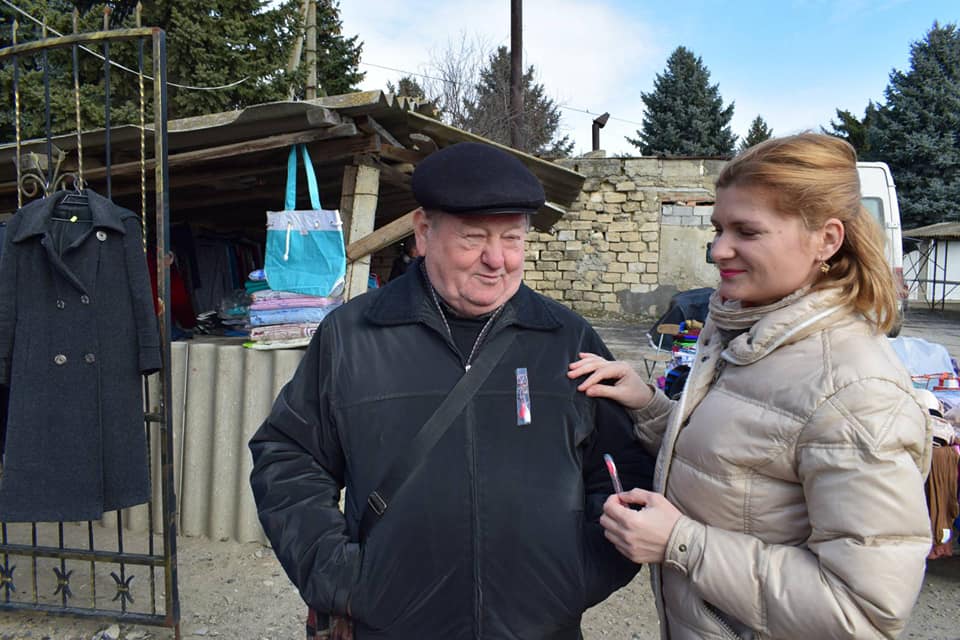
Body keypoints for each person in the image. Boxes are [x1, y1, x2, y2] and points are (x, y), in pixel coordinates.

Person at [249, 141, 655, 639]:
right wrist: (341, 578)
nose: (497, 260)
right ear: (423, 232)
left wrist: (581, 572)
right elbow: (288, 457)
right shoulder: (352, 336)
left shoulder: (568, 338)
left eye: (512, 238)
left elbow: (621, 468)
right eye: (473, 238)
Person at [569, 133, 932, 639]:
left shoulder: (857, 392)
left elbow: (862, 612)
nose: (718, 250)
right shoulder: (745, 334)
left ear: (826, 240)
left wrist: (681, 543)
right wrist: (648, 405)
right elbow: (740, 464)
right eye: (718, 229)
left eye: (747, 231)